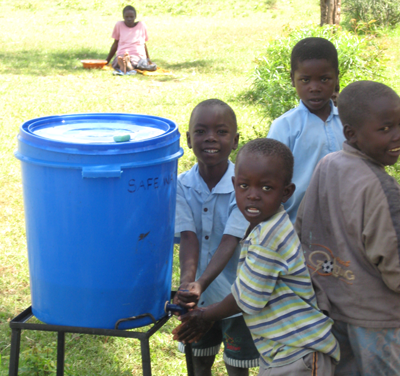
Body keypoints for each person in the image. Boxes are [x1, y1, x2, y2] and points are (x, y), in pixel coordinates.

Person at [173, 138, 340, 376]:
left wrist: (205, 315)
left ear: (286, 192)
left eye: (266, 188)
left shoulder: (269, 237)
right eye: (244, 186)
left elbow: (246, 298)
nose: (253, 196)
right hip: (283, 352)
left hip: (297, 353)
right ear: (234, 185)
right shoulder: (266, 226)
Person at [295, 81, 400, 376]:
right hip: (379, 320)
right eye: (385, 129)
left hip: (331, 308)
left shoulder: (327, 165)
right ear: (351, 133)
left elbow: (304, 229)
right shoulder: (382, 188)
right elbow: (395, 264)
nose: (397, 136)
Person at [174, 99, 260, 376]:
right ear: (188, 139)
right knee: (198, 364)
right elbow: (188, 237)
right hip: (199, 297)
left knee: (237, 368)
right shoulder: (180, 186)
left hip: (238, 298)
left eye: (221, 132)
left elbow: (230, 240)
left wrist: (198, 283)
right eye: (200, 131)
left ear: (235, 141)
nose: (211, 138)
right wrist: (188, 286)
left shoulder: (245, 186)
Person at [267, 37, 344, 223]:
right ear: (293, 79)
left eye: (324, 79)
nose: (315, 88)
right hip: (296, 227)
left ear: (337, 78)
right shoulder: (285, 127)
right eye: (305, 80)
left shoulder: (348, 122)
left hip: (346, 223)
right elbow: (269, 179)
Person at [105, 5, 153, 74]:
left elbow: (143, 44)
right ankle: (126, 64)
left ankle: (125, 65)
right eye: (126, 17)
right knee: (119, 59)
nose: (129, 19)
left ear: (135, 17)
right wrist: (107, 61)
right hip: (122, 54)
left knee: (137, 62)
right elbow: (115, 43)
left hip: (137, 55)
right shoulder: (119, 25)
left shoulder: (141, 25)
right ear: (123, 17)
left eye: (131, 17)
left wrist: (148, 59)